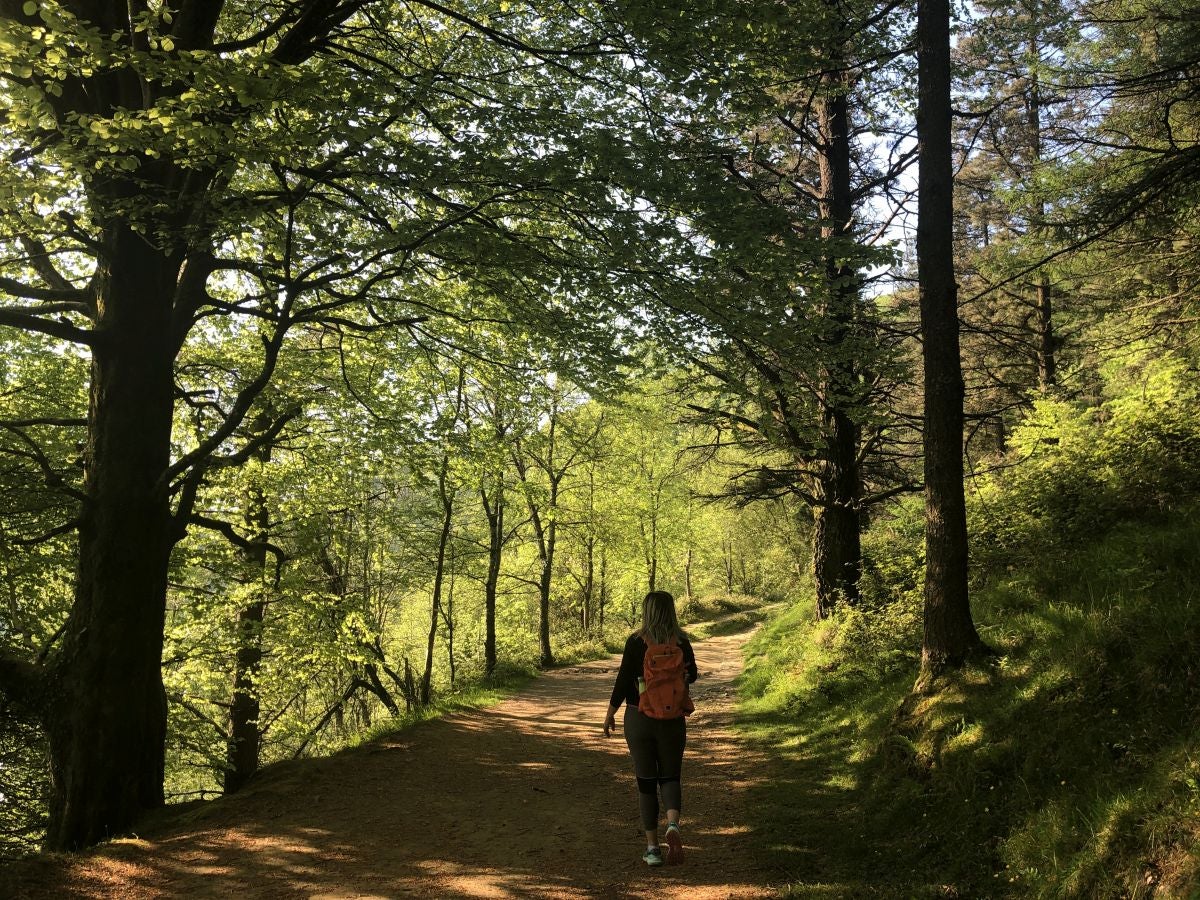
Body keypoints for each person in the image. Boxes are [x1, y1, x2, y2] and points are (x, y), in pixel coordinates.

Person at [603, 590, 698, 867]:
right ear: (671, 611)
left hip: (638, 718)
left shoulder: (635, 642)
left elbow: (622, 681)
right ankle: (673, 824)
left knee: (646, 783)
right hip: (672, 722)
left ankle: (653, 848)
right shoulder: (681, 641)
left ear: (646, 612)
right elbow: (693, 674)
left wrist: (609, 714)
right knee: (670, 777)